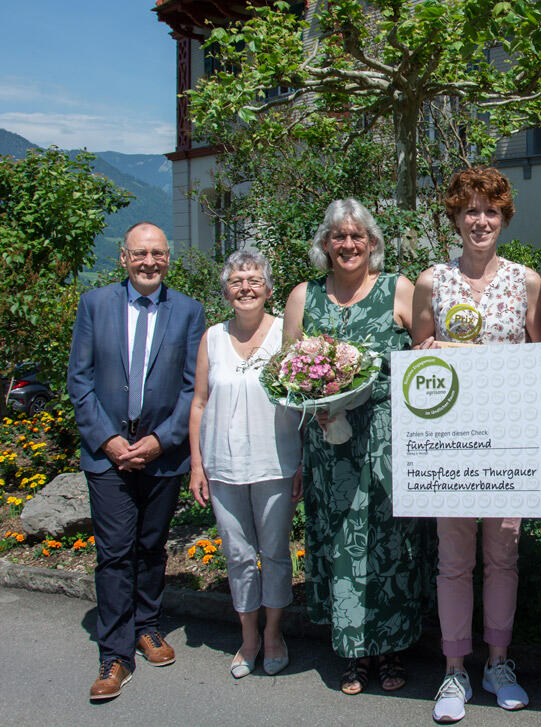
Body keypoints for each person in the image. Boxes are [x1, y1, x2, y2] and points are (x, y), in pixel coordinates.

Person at [412, 166, 541, 723]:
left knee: (502, 557)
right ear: (455, 217)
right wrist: (426, 353)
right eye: (470, 210)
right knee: (453, 561)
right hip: (450, 443)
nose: (481, 220)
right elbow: (419, 359)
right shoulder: (431, 281)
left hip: (509, 440)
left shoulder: (527, 281)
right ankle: (453, 670)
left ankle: (498, 663)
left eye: (491, 210)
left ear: (504, 218)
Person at [283, 198, 423, 695]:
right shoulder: (303, 296)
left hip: (387, 439)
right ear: (325, 244)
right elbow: (287, 373)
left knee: (391, 543)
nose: (347, 244)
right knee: (341, 541)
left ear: (372, 242)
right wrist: (311, 404)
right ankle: (352, 652)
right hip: (328, 444)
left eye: (356, 236)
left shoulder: (399, 289)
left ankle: (392, 648)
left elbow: (426, 362)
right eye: (338, 236)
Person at [67, 222, 205, 700]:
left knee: (151, 546)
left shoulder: (188, 310)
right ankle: (115, 655)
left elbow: (193, 386)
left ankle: (147, 626)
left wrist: (160, 441)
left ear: (168, 258)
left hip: (161, 455)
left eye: (158, 253)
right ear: (124, 257)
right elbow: (80, 380)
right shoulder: (95, 304)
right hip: (108, 455)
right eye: (140, 253)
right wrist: (107, 440)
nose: (150, 262)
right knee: (114, 553)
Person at [187, 250, 303, 678]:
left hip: (276, 462)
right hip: (222, 465)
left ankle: (273, 634)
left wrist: (302, 462)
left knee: (274, 553)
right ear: (226, 291)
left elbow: (302, 396)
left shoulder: (285, 333)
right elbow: (199, 403)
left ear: (268, 289)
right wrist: (197, 464)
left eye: (254, 280)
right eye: (236, 281)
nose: (246, 288)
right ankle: (248, 636)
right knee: (237, 555)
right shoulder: (212, 338)